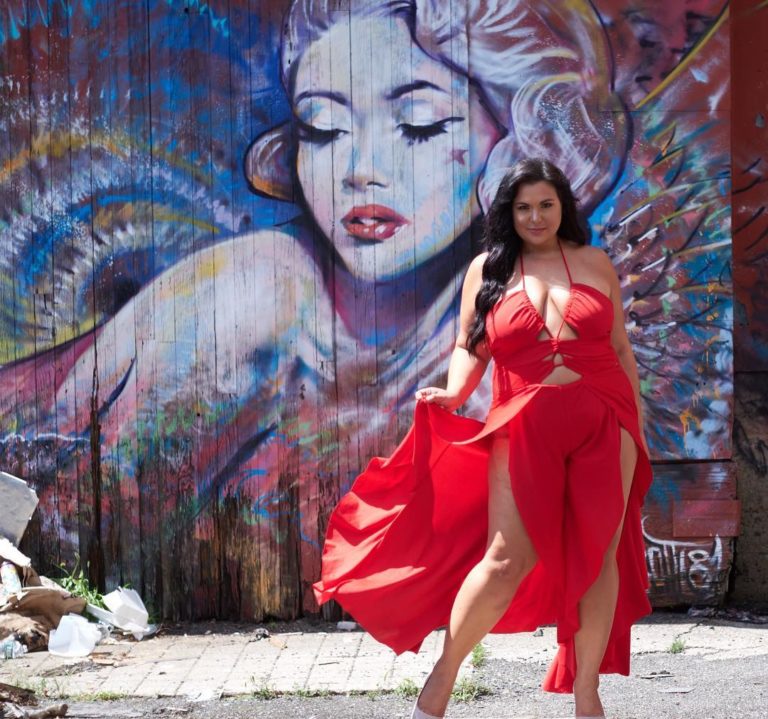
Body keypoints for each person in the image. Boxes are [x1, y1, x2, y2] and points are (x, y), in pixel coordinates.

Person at [0, 0, 630, 616]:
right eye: (323, 129)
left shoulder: (510, 313)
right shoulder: (256, 291)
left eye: (418, 124)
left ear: (515, 148)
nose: (361, 171)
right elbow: (82, 517)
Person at [313, 158, 652, 719]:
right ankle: (446, 672)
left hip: (604, 419)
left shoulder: (595, 263)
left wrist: (636, 429)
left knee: (598, 556)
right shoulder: (487, 268)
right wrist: (454, 391)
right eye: (524, 207)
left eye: (546, 204)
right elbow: (470, 346)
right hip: (522, 422)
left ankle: (587, 687)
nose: (536, 216)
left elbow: (619, 349)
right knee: (503, 561)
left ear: (562, 206)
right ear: (508, 213)